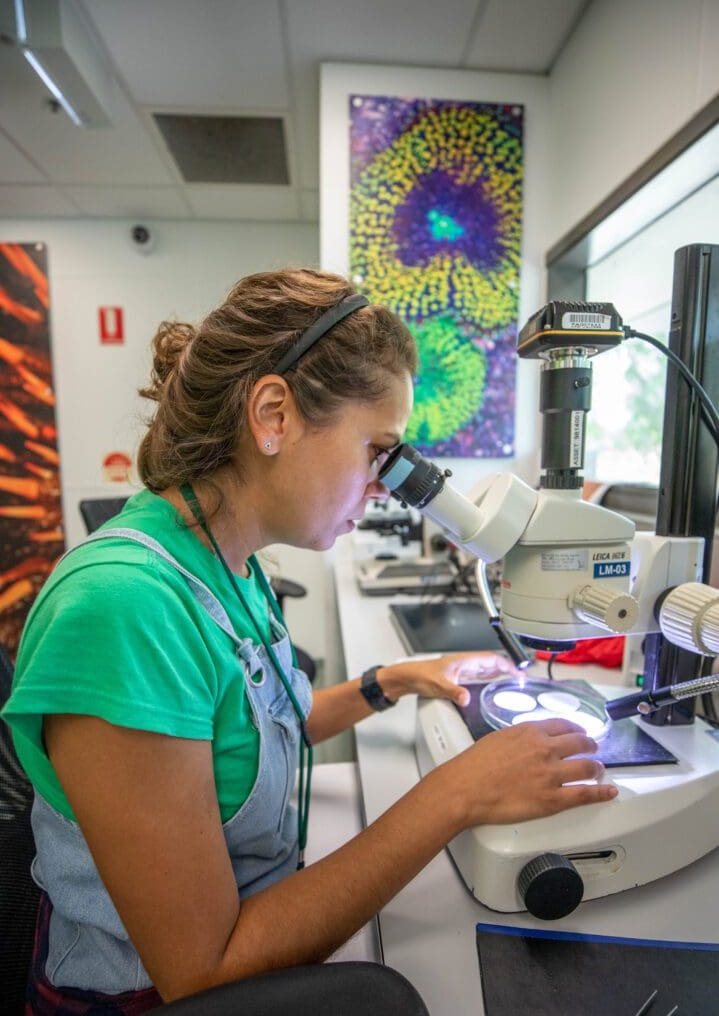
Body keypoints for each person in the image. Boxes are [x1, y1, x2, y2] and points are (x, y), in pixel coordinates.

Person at [2, 268, 618, 1013]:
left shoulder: (228, 565)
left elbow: (249, 729)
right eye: (376, 451)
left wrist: (392, 680)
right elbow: (199, 972)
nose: (386, 486)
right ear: (273, 414)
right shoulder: (123, 609)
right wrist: (452, 796)